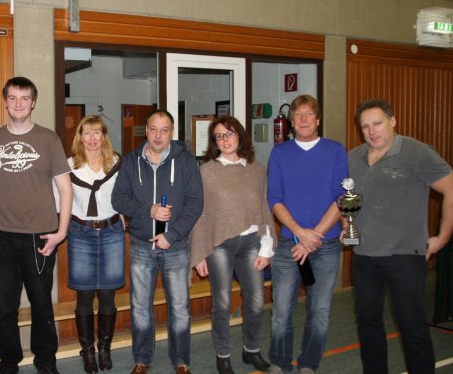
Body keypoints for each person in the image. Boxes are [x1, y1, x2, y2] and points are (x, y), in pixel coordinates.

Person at [348, 99, 453, 374]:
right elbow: (348, 200)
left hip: (404, 256)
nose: (372, 131)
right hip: (364, 256)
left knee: (412, 326)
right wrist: (345, 227)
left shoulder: (417, 153)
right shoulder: (353, 157)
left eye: (377, 123)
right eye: (365, 126)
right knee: (368, 323)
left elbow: (451, 188)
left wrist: (442, 237)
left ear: (393, 121)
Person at [0, 77, 73, 374]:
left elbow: (66, 188)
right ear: (5, 102)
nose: (18, 103)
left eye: (25, 98)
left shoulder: (49, 140)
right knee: (4, 306)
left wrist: (61, 232)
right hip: (1, 237)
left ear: (33, 103)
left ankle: (45, 361)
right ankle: (8, 361)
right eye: (13, 97)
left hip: (40, 237)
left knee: (41, 304)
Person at [111, 109, 203, 374]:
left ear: (172, 132)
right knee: (140, 307)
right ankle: (142, 359)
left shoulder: (185, 161)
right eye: (153, 129)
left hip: (176, 247)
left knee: (180, 308)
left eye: (164, 130)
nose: (158, 135)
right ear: (146, 130)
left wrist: (171, 235)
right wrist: (148, 211)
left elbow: (196, 204)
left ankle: (181, 361)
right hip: (141, 246)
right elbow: (118, 199)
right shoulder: (131, 161)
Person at [266, 95, 347, 374]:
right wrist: (300, 233)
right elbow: (274, 199)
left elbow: (341, 197)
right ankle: (280, 362)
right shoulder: (279, 153)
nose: (303, 119)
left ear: (318, 119)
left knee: (320, 312)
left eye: (308, 114)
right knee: (280, 311)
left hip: (326, 245)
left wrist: (315, 236)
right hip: (289, 244)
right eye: (298, 115)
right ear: (291, 122)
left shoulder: (335, 151)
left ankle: (309, 363)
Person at [190, 116, 276, 374]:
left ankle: (251, 350)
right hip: (220, 245)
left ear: (240, 135)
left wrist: (266, 247)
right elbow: (200, 214)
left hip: (251, 243)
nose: (225, 140)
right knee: (223, 303)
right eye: (219, 136)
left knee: (256, 301)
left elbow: (264, 207)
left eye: (229, 134)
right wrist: (199, 253)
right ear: (214, 142)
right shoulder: (206, 172)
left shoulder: (256, 169)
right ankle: (223, 355)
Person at [58, 115, 124, 373]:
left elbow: (124, 193)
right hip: (81, 232)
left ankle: (105, 348)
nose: (92, 138)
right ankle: (87, 351)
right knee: (84, 296)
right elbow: (60, 199)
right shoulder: (69, 165)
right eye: (87, 133)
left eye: (97, 132)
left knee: (108, 295)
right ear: (80, 137)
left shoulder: (116, 162)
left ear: (104, 136)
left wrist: (123, 216)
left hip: (111, 232)